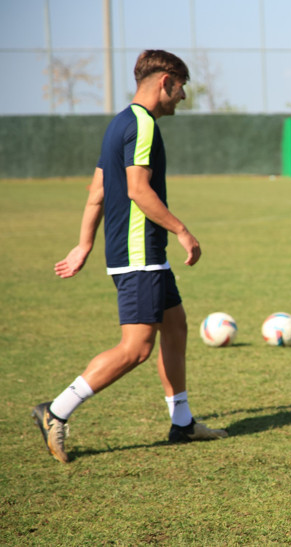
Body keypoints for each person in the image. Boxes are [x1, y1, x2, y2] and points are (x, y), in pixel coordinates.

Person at [32, 50, 227, 464]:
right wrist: (182, 230)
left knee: (175, 327)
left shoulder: (118, 122)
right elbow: (138, 190)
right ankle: (56, 411)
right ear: (166, 81)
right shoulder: (141, 125)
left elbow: (98, 191)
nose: (183, 98)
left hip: (136, 251)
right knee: (136, 348)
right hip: (140, 252)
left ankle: (183, 422)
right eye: (182, 88)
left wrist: (84, 244)